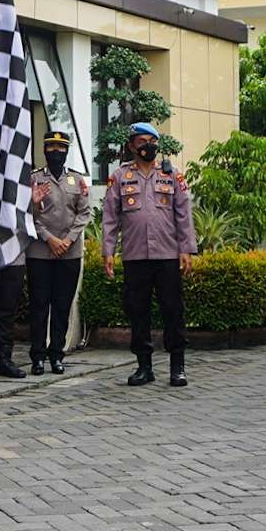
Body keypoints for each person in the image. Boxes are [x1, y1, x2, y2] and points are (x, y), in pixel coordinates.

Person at [102, 122, 197, 388]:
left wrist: (186, 249)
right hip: (135, 256)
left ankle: (177, 367)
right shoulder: (120, 176)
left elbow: (183, 213)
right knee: (137, 311)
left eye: (151, 141)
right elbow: (110, 217)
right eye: (141, 141)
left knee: (173, 310)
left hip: (167, 254)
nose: (147, 146)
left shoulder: (172, 174)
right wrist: (108, 251)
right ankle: (144, 367)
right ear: (132, 146)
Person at [26, 131, 92, 374]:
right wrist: (50, 239)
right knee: (39, 306)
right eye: (51, 148)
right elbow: (27, 214)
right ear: (44, 150)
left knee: (62, 306)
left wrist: (67, 240)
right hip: (40, 253)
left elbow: (84, 212)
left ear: (67, 151)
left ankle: (57, 354)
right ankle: (37, 356)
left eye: (61, 148)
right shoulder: (33, 178)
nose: (56, 152)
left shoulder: (76, 180)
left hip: (69, 252)